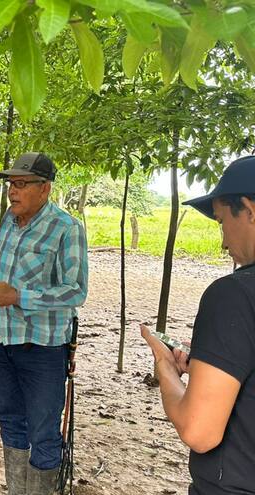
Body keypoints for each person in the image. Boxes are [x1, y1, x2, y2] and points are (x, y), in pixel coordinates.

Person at [0, 152, 88, 495]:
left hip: (42, 348)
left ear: (45, 188)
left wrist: (18, 297)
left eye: (21, 184)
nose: (12, 191)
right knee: (10, 421)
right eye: (11, 184)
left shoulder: (66, 228)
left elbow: (75, 291)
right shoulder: (10, 219)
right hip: (2, 340)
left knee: (43, 432)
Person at [142, 155, 255, 495]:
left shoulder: (234, 294)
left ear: (249, 210)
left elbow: (199, 430)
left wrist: (166, 371)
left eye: (222, 221)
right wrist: (214, 364)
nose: (223, 242)